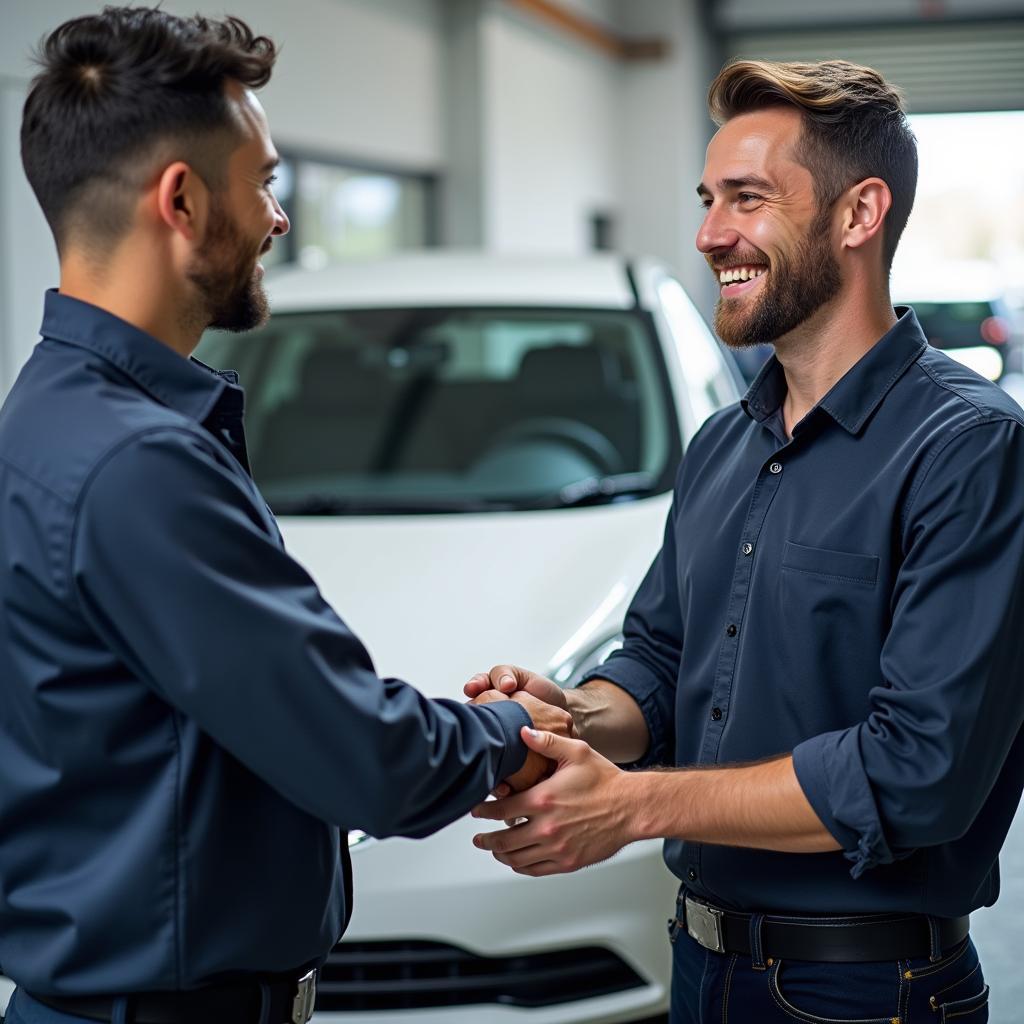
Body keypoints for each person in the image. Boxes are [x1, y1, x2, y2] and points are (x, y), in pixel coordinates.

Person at [0, 9, 573, 1024]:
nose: (278, 218)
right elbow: (364, 754)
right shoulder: (140, 462)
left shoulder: (46, 417)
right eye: (264, 182)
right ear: (181, 199)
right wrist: (513, 726)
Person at [467, 58, 1024, 1023]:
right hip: (705, 966)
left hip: (866, 992)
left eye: (748, 199)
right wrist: (577, 718)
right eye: (707, 198)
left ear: (860, 216)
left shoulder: (969, 448)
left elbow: (917, 771)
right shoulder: (726, 442)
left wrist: (633, 807)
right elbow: (663, 657)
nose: (709, 232)